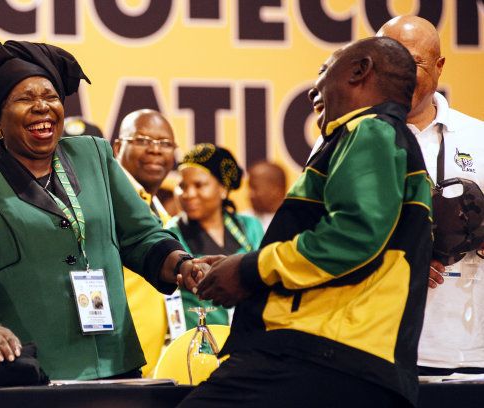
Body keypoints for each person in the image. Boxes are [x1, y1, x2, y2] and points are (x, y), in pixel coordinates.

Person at [179, 37, 431, 407]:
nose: (315, 86)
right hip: (346, 360)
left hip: (320, 356)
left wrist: (250, 270)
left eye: (325, 71)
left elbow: (354, 234)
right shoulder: (387, 140)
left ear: (360, 71)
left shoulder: (369, 130)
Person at [0, 40, 203, 381]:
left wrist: (182, 265)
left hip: (115, 361)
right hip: (30, 367)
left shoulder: (94, 154)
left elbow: (141, 234)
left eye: (50, 97)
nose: (42, 107)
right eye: (25, 99)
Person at [377, 15, 484, 376]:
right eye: (387, 61)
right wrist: (395, 260)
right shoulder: (344, 141)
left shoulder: (479, 139)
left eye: (414, 63)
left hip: (474, 351)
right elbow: (316, 235)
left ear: (439, 67)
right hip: (379, 349)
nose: (399, 75)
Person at [167, 144, 263, 329]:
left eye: (199, 185)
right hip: (199, 343)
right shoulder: (171, 233)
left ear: (223, 189)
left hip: (250, 335)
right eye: (182, 186)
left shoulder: (250, 227)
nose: (188, 194)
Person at [112, 109, 177, 376]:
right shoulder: (109, 203)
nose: (155, 150)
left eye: (165, 144)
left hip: (149, 372)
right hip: (115, 366)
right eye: (142, 140)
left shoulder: (158, 209)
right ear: (117, 147)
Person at [245, 160, 287, 230]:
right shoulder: (241, 222)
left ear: (276, 190)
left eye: (254, 188)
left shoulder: (298, 223)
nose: (250, 195)